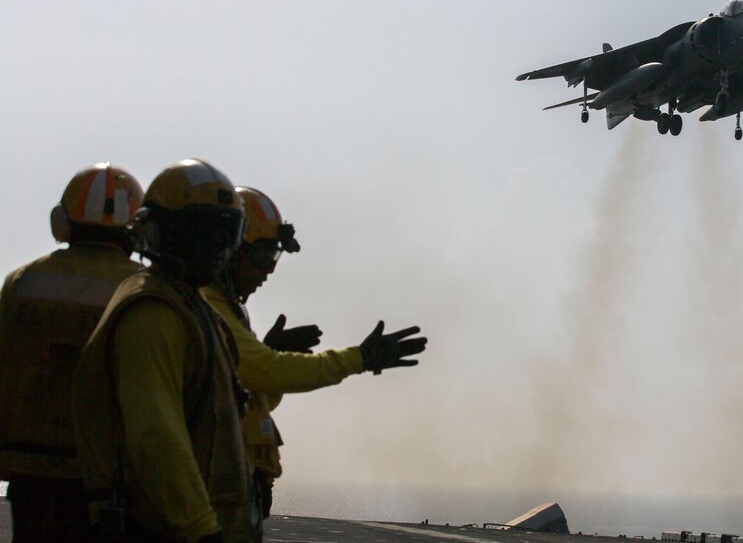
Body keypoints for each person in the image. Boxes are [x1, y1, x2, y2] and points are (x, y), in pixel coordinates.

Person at [201, 186, 428, 518]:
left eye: (274, 258)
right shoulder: (211, 308)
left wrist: (268, 354)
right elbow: (270, 369)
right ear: (231, 250)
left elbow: (255, 399)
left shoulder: (228, 310)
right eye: (264, 255)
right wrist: (360, 358)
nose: (269, 270)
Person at [72, 159, 258, 542]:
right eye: (205, 231)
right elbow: (156, 437)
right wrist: (200, 528)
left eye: (229, 233)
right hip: (165, 528)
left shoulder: (189, 306)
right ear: (160, 230)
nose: (219, 248)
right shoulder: (154, 312)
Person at [0, 162, 144, 542]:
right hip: (105, 478)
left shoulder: (22, 281)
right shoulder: (140, 288)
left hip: (29, 467)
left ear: (62, 221)